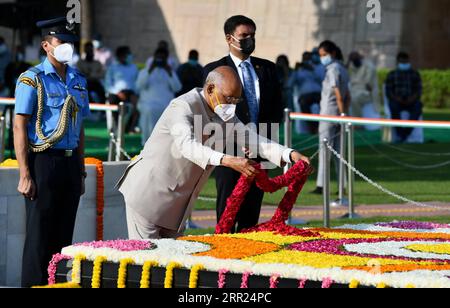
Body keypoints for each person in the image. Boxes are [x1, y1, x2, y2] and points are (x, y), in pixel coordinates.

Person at [117, 66, 311, 240]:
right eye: (228, 98)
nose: (232, 105)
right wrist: (226, 160)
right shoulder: (183, 106)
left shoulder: (226, 115)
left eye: (237, 99)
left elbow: (252, 139)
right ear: (210, 89)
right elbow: (187, 146)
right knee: (146, 266)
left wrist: (289, 154)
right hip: (148, 197)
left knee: (170, 267)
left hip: (177, 206)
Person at [13, 17, 90, 287]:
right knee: (39, 236)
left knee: (63, 235)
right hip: (43, 162)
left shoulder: (78, 80)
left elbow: (78, 127)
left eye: (71, 42)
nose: (67, 46)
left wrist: (80, 171)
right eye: (61, 42)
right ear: (46, 45)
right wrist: (25, 173)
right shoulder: (32, 79)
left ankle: (55, 285)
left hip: (69, 164)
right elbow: (20, 124)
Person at [203, 15, 284, 232]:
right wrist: (239, 139)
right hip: (229, 151)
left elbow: (277, 107)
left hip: (261, 148)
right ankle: (222, 258)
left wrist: (263, 142)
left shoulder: (267, 69)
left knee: (251, 211)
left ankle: (247, 257)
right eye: (244, 35)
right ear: (230, 38)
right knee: (227, 210)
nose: (249, 39)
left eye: (252, 35)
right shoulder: (214, 70)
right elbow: (212, 111)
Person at [313, 40, 350, 195]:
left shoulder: (333, 69)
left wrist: (341, 114)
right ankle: (342, 185)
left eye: (324, 55)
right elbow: (348, 95)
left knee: (324, 150)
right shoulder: (343, 68)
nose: (323, 58)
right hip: (337, 114)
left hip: (329, 114)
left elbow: (339, 95)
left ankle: (322, 185)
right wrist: (345, 113)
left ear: (332, 53)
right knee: (339, 152)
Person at [136, 47, 182, 145]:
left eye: (162, 59)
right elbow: (139, 85)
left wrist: (169, 72)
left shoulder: (170, 72)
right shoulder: (145, 71)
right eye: (158, 58)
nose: (160, 61)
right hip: (148, 103)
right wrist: (150, 70)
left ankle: (162, 143)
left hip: (165, 103)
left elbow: (177, 88)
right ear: (154, 58)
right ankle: (147, 142)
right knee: (150, 109)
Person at [385, 52, 423, 142]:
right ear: (398, 62)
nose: (404, 64)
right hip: (397, 101)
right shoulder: (392, 74)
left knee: (418, 107)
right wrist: (396, 98)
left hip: (412, 101)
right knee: (393, 107)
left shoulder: (415, 74)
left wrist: (412, 98)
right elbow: (388, 91)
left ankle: (404, 134)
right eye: (402, 62)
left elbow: (419, 90)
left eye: (406, 62)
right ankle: (400, 133)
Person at [105, 46, 139, 132]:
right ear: (121, 55)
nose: (130, 56)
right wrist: (117, 92)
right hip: (116, 93)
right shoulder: (112, 67)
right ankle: (116, 126)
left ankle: (131, 127)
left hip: (131, 92)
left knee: (138, 104)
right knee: (112, 101)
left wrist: (135, 93)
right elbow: (107, 84)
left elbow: (137, 82)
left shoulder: (134, 67)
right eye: (128, 54)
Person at [289, 52, 322, 134]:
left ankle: (320, 126)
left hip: (318, 93)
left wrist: (312, 70)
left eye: (308, 58)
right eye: (305, 58)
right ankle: (313, 126)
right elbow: (290, 83)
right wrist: (295, 71)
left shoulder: (317, 68)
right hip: (305, 95)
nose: (306, 60)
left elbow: (322, 80)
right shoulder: (299, 71)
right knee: (303, 103)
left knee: (325, 103)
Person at [348, 51, 379, 118]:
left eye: (355, 60)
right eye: (352, 61)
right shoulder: (353, 66)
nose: (353, 62)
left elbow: (369, 86)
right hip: (354, 91)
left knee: (354, 99)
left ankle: (358, 122)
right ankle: (346, 123)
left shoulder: (369, 66)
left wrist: (357, 85)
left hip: (367, 93)